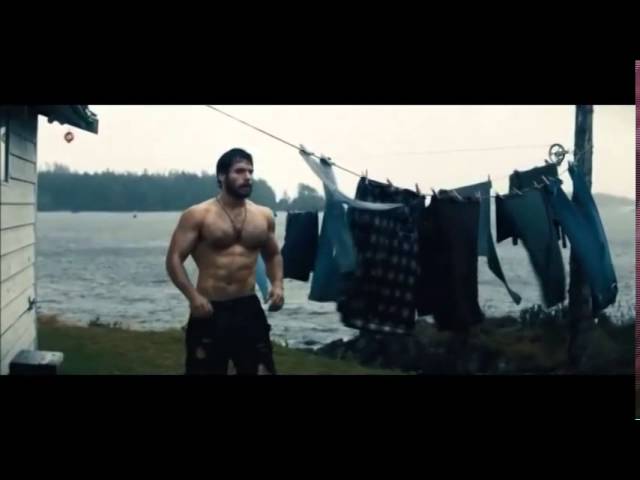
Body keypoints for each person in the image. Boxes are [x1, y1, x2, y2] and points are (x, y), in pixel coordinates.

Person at [166, 148, 284, 375]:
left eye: (250, 171)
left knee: (261, 370)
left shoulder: (263, 215)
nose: (247, 177)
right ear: (221, 176)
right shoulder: (198, 214)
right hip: (210, 308)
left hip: (248, 307)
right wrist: (193, 297)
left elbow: (273, 254)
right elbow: (174, 258)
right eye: (239, 171)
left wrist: (278, 285)